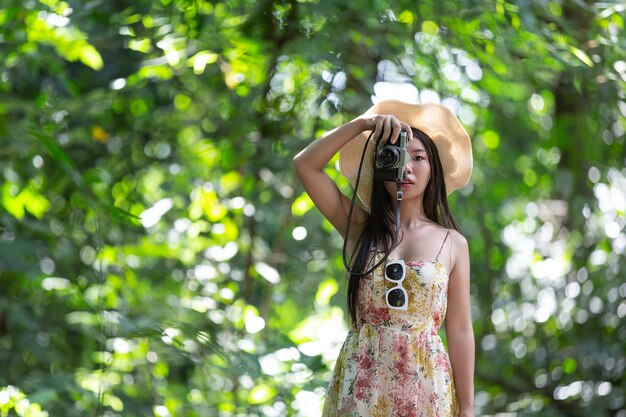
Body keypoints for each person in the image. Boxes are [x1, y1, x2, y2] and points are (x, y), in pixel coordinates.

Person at [293, 99, 475, 417]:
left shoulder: (453, 243)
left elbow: (459, 328)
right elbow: (305, 165)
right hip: (362, 381)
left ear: (434, 168)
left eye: (418, 158)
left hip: (426, 386)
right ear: (381, 166)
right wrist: (365, 125)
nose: (407, 167)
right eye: (396, 156)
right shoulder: (360, 227)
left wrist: (468, 408)